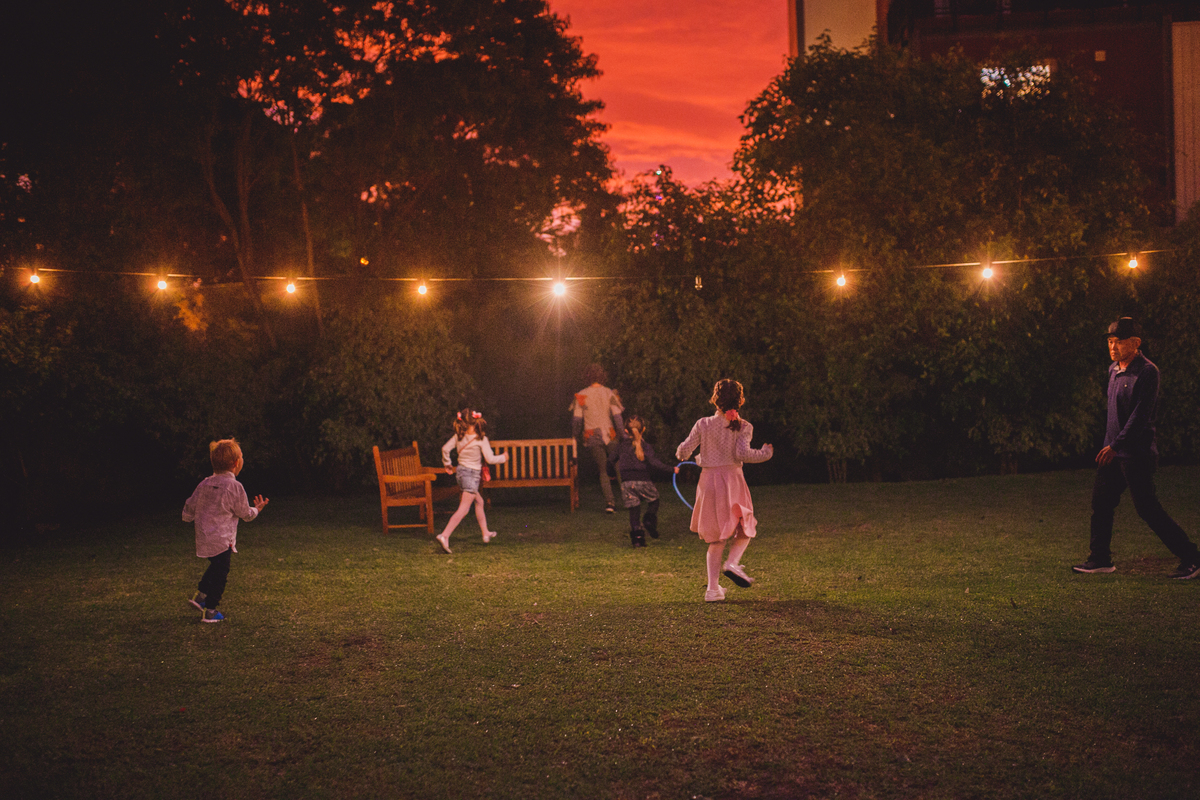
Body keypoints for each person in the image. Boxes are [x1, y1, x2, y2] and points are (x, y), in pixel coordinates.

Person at [1072, 317, 1200, 579]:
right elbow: (1114, 415)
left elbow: (1140, 417)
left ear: (1136, 343)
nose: (1113, 346)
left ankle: (1192, 558)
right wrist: (1110, 445)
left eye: (1119, 341)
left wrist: (1116, 445)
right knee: (1101, 503)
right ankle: (1100, 559)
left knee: (1147, 509)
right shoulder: (1113, 369)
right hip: (1113, 453)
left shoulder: (1148, 371)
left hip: (1135, 455)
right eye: (1110, 341)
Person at [676, 378, 773, 602]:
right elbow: (742, 454)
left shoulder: (703, 424)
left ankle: (712, 590)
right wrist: (765, 453)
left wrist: (685, 454)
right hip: (732, 480)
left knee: (716, 536)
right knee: (745, 525)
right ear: (740, 400)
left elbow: (683, 450)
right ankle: (732, 563)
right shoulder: (744, 426)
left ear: (715, 399)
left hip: (709, 482)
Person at [183, 438, 269, 623]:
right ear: (236, 463)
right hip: (222, 540)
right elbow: (245, 514)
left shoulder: (204, 483)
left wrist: (187, 516)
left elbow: (190, 505)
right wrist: (257, 510)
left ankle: (201, 596)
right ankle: (211, 610)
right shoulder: (234, 486)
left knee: (216, 565)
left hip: (205, 537)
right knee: (221, 572)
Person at [436, 408, 508, 554]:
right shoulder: (481, 439)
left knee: (479, 502)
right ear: (476, 423)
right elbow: (490, 459)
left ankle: (485, 533)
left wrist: (447, 463)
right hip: (471, 475)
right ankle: (444, 535)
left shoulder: (458, 437)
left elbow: (445, 449)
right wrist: (504, 458)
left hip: (461, 473)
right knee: (463, 509)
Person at [607, 415, 678, 547]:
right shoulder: (646, 446)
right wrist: (672, 469)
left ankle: (637, 538)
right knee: (654, 500)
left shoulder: (621, 446)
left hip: (627, 483)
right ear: (643, 430)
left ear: (626, 431)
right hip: (643, 481)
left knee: (634, 510)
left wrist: (611, 474)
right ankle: (649, 520)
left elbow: (610, 460)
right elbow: (654, 463)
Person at [570, 363, 625, 513]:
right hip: (610, 433)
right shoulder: (609, 393)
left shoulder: (581, 395)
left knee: (603, 469)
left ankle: (610, 503)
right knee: (619, 466)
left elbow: (577, 420)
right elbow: (617, 417)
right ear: (602, 376)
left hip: (592, 435)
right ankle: (628, 498)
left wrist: (574, 436)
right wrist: (622, 434)